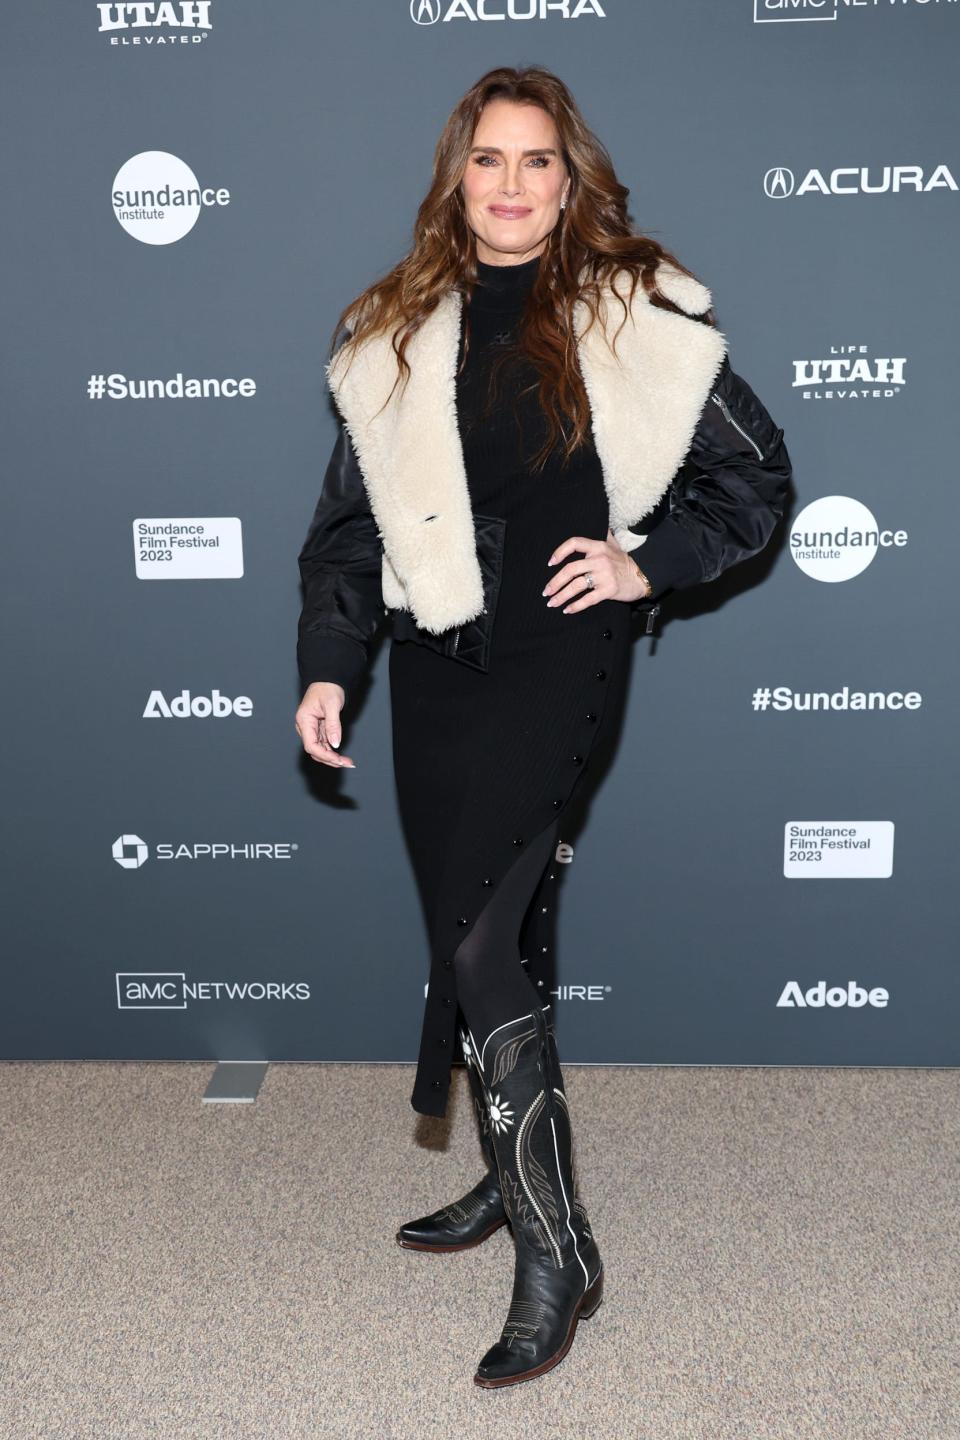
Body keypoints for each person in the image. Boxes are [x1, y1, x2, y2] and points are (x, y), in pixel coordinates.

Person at [294, 64, 792, 1389]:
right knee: (482, 934)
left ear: (572, 181)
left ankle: (554, 1247)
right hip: (438, 657)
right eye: (487, 162)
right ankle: (510, 1183)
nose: (511, 187)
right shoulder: (390, 330)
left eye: (537, 163)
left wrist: (648, 562)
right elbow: (348, 535)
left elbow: (757, 477)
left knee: (474, 937)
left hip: (560, 656)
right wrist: (332, 665)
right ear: (453, 177)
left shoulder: (642, 313)